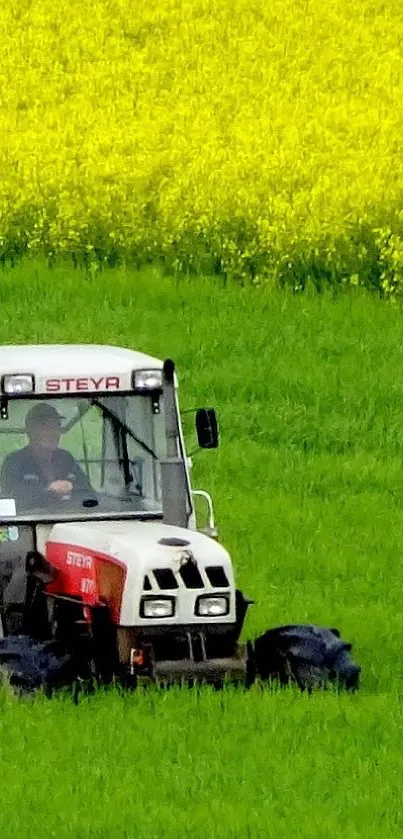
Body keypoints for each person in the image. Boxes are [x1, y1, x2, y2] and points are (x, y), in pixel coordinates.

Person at [1, 403, 94, 509]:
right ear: (31, 431)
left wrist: (72, 488)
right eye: (47, 428)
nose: (54, 433)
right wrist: (48, 490)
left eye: (57, 426)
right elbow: (10, 500)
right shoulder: (14, 462)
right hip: (32, 522)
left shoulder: (66, 458)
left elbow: (90, 494)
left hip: (70, 520)